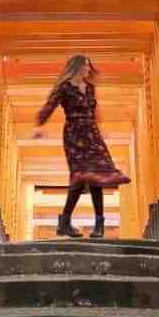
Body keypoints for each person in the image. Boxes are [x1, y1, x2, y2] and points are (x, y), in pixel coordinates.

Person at [33, 53, 131, 239]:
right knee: (79, 177)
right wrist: (38, 125)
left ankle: (96, 225)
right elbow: (49, 106)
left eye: (89, 66)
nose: (88, 69)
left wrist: (100, 132)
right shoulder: (65, 87)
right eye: (85, 66)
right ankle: (66, 223)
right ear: (77, 67)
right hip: (74, 135)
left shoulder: (91, 88)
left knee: (97, 177)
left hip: (92, 134)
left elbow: (94, 112)